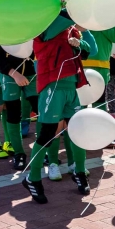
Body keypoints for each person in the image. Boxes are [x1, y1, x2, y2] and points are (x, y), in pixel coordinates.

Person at [22, 12, 96, 203]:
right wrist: (71, 6)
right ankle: (33, 177)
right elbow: (66, 16)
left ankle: (79, 172)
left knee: (77, 131)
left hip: (71, 87)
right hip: (52, 87)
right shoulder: (44, 27)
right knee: (47, 133)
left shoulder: (70, 28)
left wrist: (80, 44)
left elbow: (88, 52)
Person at [0, 44, 38, 170]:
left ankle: (43, 151)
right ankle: (19, 153)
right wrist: (14, 74)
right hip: (9, 75)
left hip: (32, 74)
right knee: (13, 114)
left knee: (40, 112)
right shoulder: (0, 29)